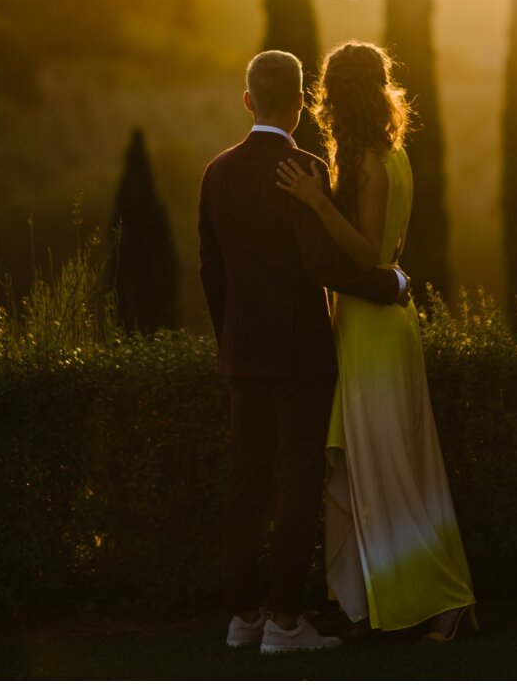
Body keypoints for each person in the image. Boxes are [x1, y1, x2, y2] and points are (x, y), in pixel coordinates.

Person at [199, 49, 412, 654]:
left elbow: (210, 270)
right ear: (298, 103)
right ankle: (285, 622)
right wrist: (388, 284)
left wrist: (231, 338)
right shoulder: (305, 168)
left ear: (248, 101)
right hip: (302, 357)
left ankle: (241, 616)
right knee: (296, 484)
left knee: (243, 482)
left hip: (244, 354)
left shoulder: (216, 172)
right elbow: (323, 264)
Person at [275, 41, 477, 643]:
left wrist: (314, 201)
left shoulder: (365, 161)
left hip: (372, 326)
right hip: (378, 322)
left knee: (389, 468)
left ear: (337, 95)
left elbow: (367, 252)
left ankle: (442, 598)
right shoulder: (393, 154)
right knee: (388, 465)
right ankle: (386, 596)